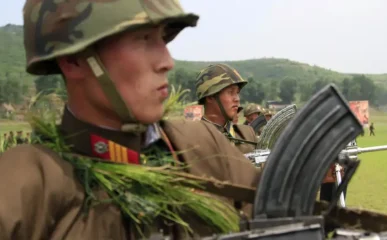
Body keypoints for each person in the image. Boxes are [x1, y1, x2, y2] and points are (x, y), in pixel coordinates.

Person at [0, 1, 260, 239]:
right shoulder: (27, 184)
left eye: (162, 39)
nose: (167, 62)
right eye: (143, 39)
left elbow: (279, 211)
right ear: (73, 61)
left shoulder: (203, 145)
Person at [195, 64, 258, 154]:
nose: (237, 99)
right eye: (230, 92)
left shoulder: (247, 134)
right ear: (210, 97)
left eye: (237, 93)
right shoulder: (193, 137)